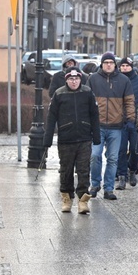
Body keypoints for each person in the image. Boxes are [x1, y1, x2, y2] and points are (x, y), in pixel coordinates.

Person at [44, 67, 100, 214]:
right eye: (71, 79)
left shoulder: (87, 92)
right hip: (66, 139)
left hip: (84, 138)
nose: (74, 81)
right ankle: (67, 199)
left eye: (76, 79)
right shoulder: (59, 94)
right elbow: (51, 118)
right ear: (66, 80)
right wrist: (47, 139)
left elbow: (94, 115)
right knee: (66, 170)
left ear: (80, 79)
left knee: (83, 171)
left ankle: (83, 200)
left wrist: (96, 135)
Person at [89, 52, 136, 201]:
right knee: (95, 155)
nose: (108, 64)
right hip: (97, 125)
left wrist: (130, 119)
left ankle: (108, 188)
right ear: (102, 64)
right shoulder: (93, 79)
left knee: (113, 158)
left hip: (116, 126)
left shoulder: (123, 80)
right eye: (105, 62)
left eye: (111, 62)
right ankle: (95, 183)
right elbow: (87, 100)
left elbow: (129, 101)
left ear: (114, 64)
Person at [116, 57, 138, 190]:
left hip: (136, 121)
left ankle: (132, 170)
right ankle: (122, 176)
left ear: (131, 67)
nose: (124, 68)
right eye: (122, 66)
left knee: (136, 149)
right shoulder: (116, 80)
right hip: (120, 121)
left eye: (127, 66)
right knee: (121, 150)